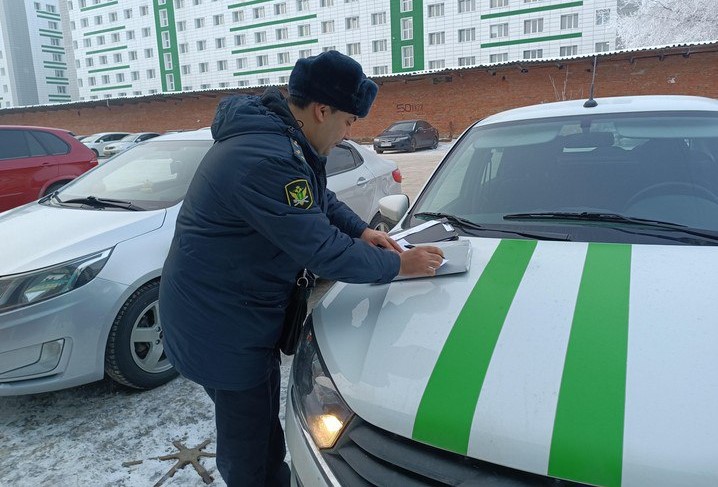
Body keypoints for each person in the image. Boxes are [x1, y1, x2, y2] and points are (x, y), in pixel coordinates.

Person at [159, 50, 444, 487]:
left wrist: (362, 230)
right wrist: (399, 263)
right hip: (221, 326)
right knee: (251, 447)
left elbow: (317, 198)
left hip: (228, 312)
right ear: (322, 110)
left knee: (255, 428)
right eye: (348, 122)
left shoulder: (281, 140)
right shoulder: (267, 158)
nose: (348, 133)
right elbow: (323, 251)